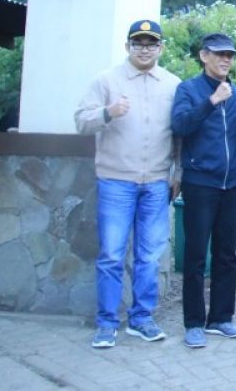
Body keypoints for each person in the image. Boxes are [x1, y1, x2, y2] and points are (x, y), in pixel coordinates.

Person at [74, 19, 181, 349]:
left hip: (156, 183)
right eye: (138, 43)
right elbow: (80, 121)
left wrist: (177, 173)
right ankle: (107, 322)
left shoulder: (173, 84)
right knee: (112, 255)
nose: (145, 49)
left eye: (151, 43)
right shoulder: (106, 80)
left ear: (161, 48)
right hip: (116, 181)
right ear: (127, 47)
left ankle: (141, 318)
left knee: (149, 256)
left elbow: (178, 134)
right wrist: (108, 112)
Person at [171, 33, 236, 348]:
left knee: (227, 255)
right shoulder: (188, 89)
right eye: (219, 55)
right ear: (204, 56)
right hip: (200, 182)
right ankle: (193, 323)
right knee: (194, 255)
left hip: (231, 185)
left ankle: (220, 318)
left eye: (230, 56)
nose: (225, 60)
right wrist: (211, 102)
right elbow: (180, 126)